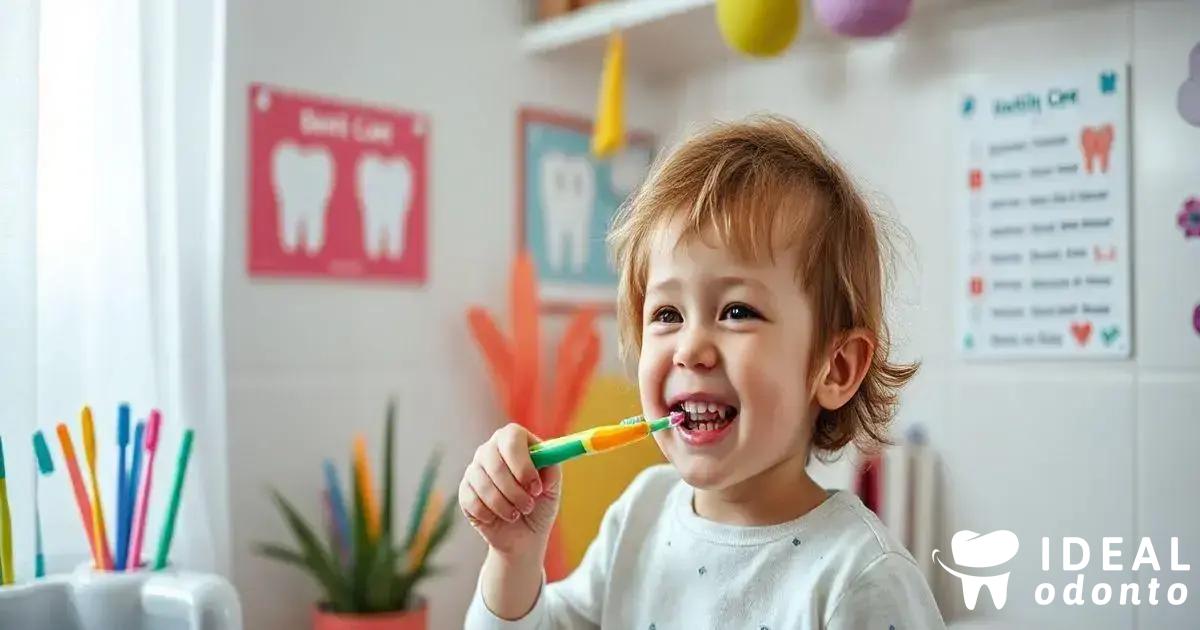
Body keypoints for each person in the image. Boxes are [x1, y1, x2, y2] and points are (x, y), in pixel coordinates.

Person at [461, 115, 946, 629]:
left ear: (836, 367)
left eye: (737, 312)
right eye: (667, 315)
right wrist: (515, 558)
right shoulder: (641, 514)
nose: (691, 349)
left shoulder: (860, 578)